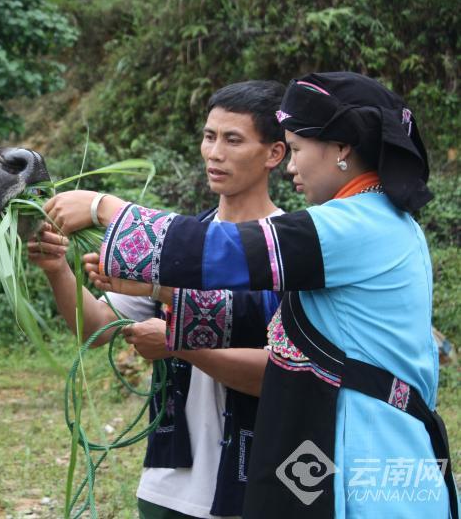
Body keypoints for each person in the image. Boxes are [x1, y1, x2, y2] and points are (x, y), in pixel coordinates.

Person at [47, 72, 458, 519]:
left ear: (342, 149)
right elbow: (266, 317)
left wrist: (102, 208)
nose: (293, 167)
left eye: (297, 149)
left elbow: (221, 250)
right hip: (351, 450)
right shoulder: (374, 220)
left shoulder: (354, 224)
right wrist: (155, 289)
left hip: (367, 455)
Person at [29, 81, 287, 519]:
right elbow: (98, 330)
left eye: (233, 139)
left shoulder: (290, 250)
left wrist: (177, 341)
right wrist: (58, 270)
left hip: (255, 481)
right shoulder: (171, 246)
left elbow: (278, 375)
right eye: (209, 136)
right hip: (169, 483)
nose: (214, 152)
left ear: (275, 154)